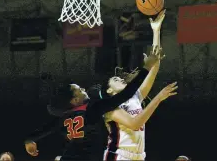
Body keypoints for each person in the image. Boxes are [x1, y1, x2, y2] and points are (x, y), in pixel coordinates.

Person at [24, 51, 161, 161]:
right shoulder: (92, 109)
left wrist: (29, 139)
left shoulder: (63, 118)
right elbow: (126, 94)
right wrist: (146, 68)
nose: (84, 88)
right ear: (75, 99)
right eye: (80, 90)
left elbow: (45, 129)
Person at [101, 9, 177, 160]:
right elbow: (135, 124)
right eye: (115, 80)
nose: (120, 78)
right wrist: (158, 98)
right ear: (110, 90)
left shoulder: (134, 97)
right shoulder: (109, 108)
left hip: (139, 156)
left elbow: (155, 65)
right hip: (118, 156)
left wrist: (156, 31)